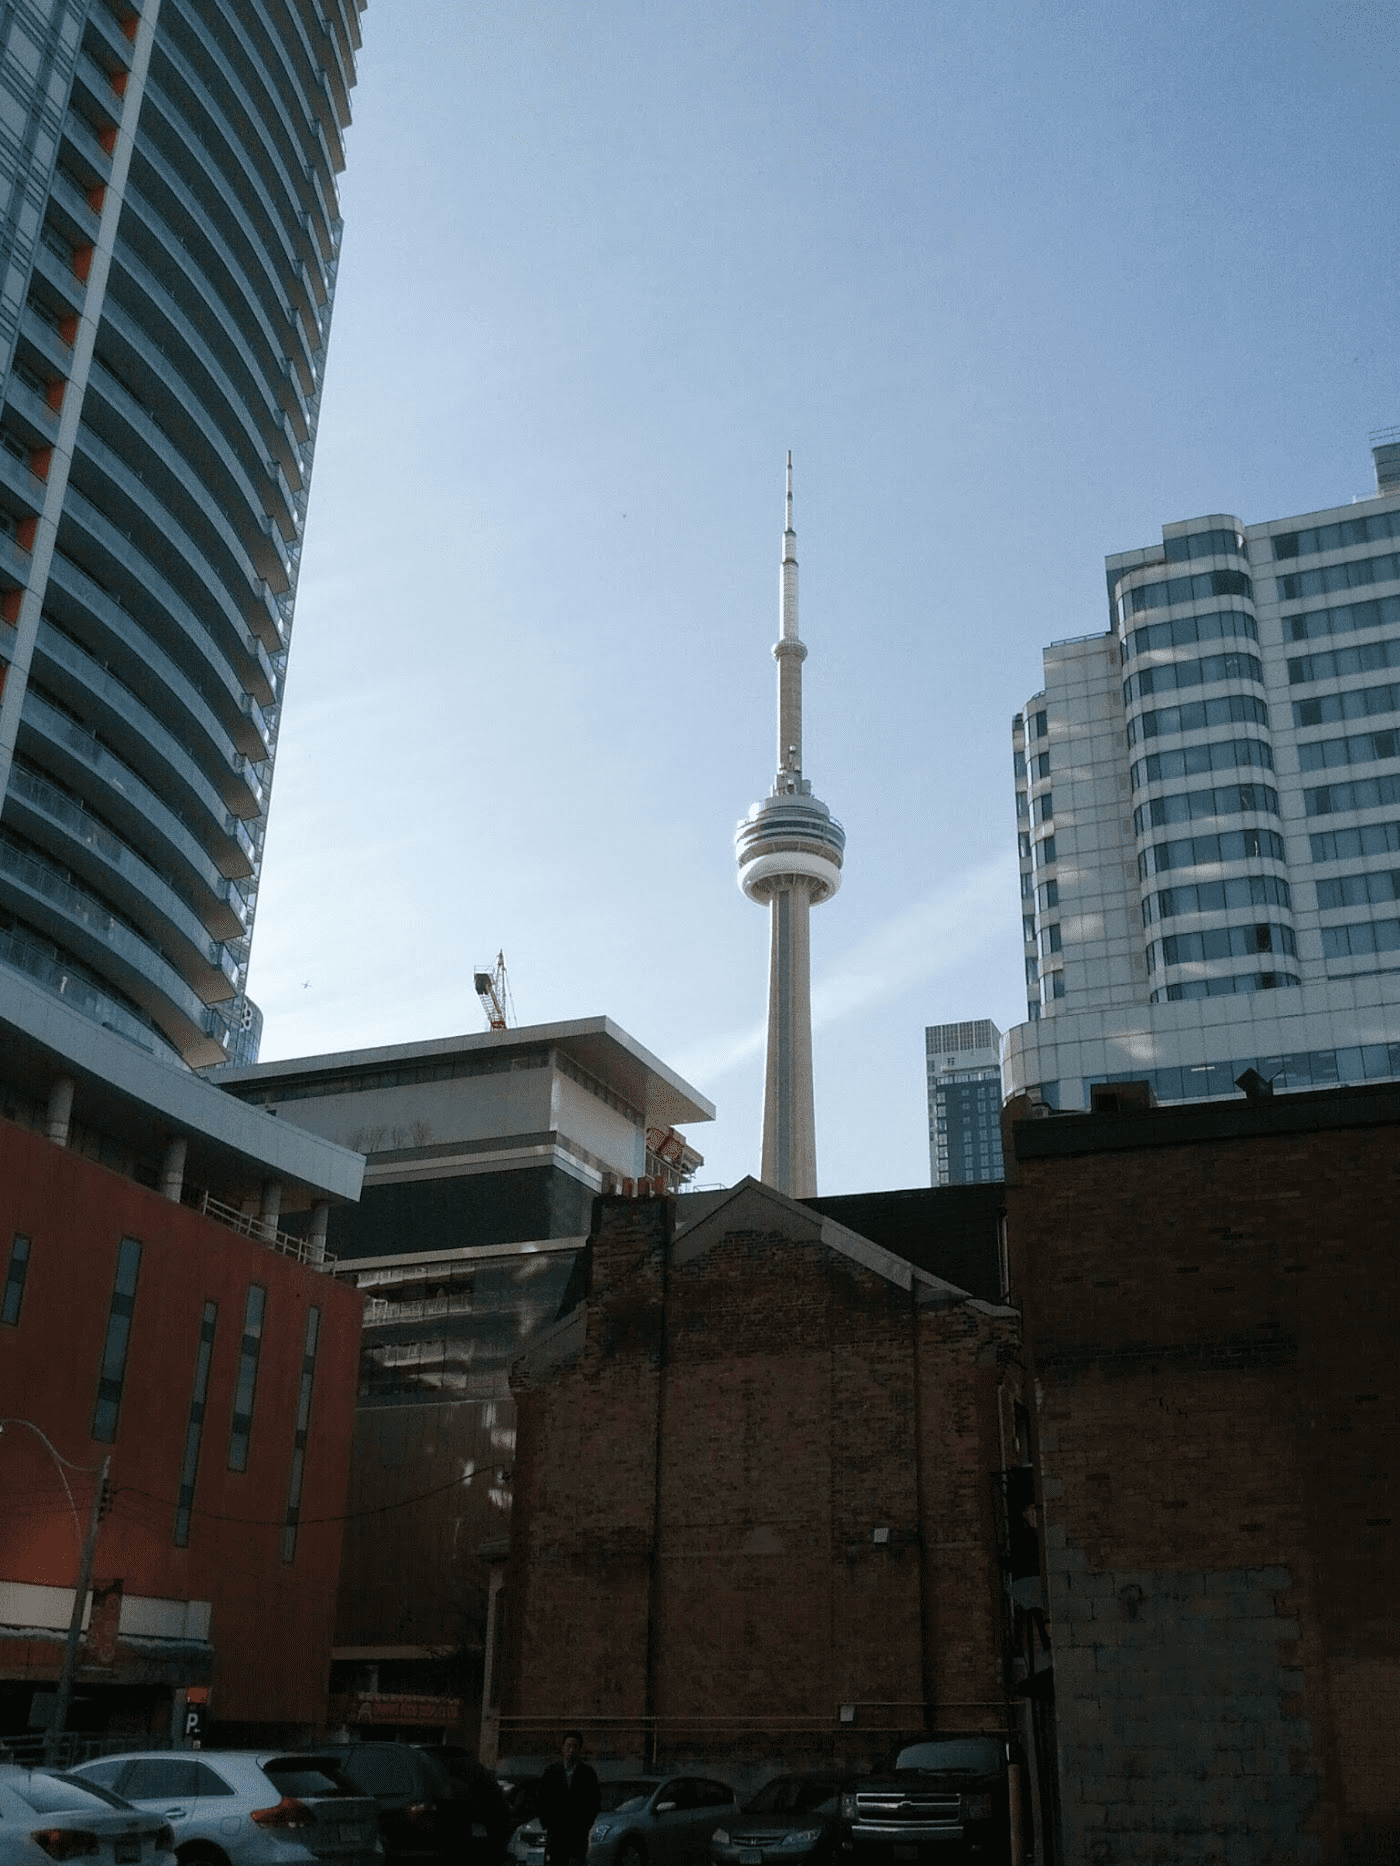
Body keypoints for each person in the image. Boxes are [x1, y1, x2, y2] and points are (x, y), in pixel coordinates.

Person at [537, 1731, 601, 1866]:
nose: (571, 1750)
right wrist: (547, 1823)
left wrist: (585, 1825)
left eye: (574, 1746)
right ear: (563, 1747)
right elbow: (542, 1798)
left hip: (577, 1833)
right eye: (568, 1746)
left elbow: (594, 1801)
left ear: (579, 1749)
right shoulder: (551, 1772)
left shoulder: (587, 1774)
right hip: (556, 1832)